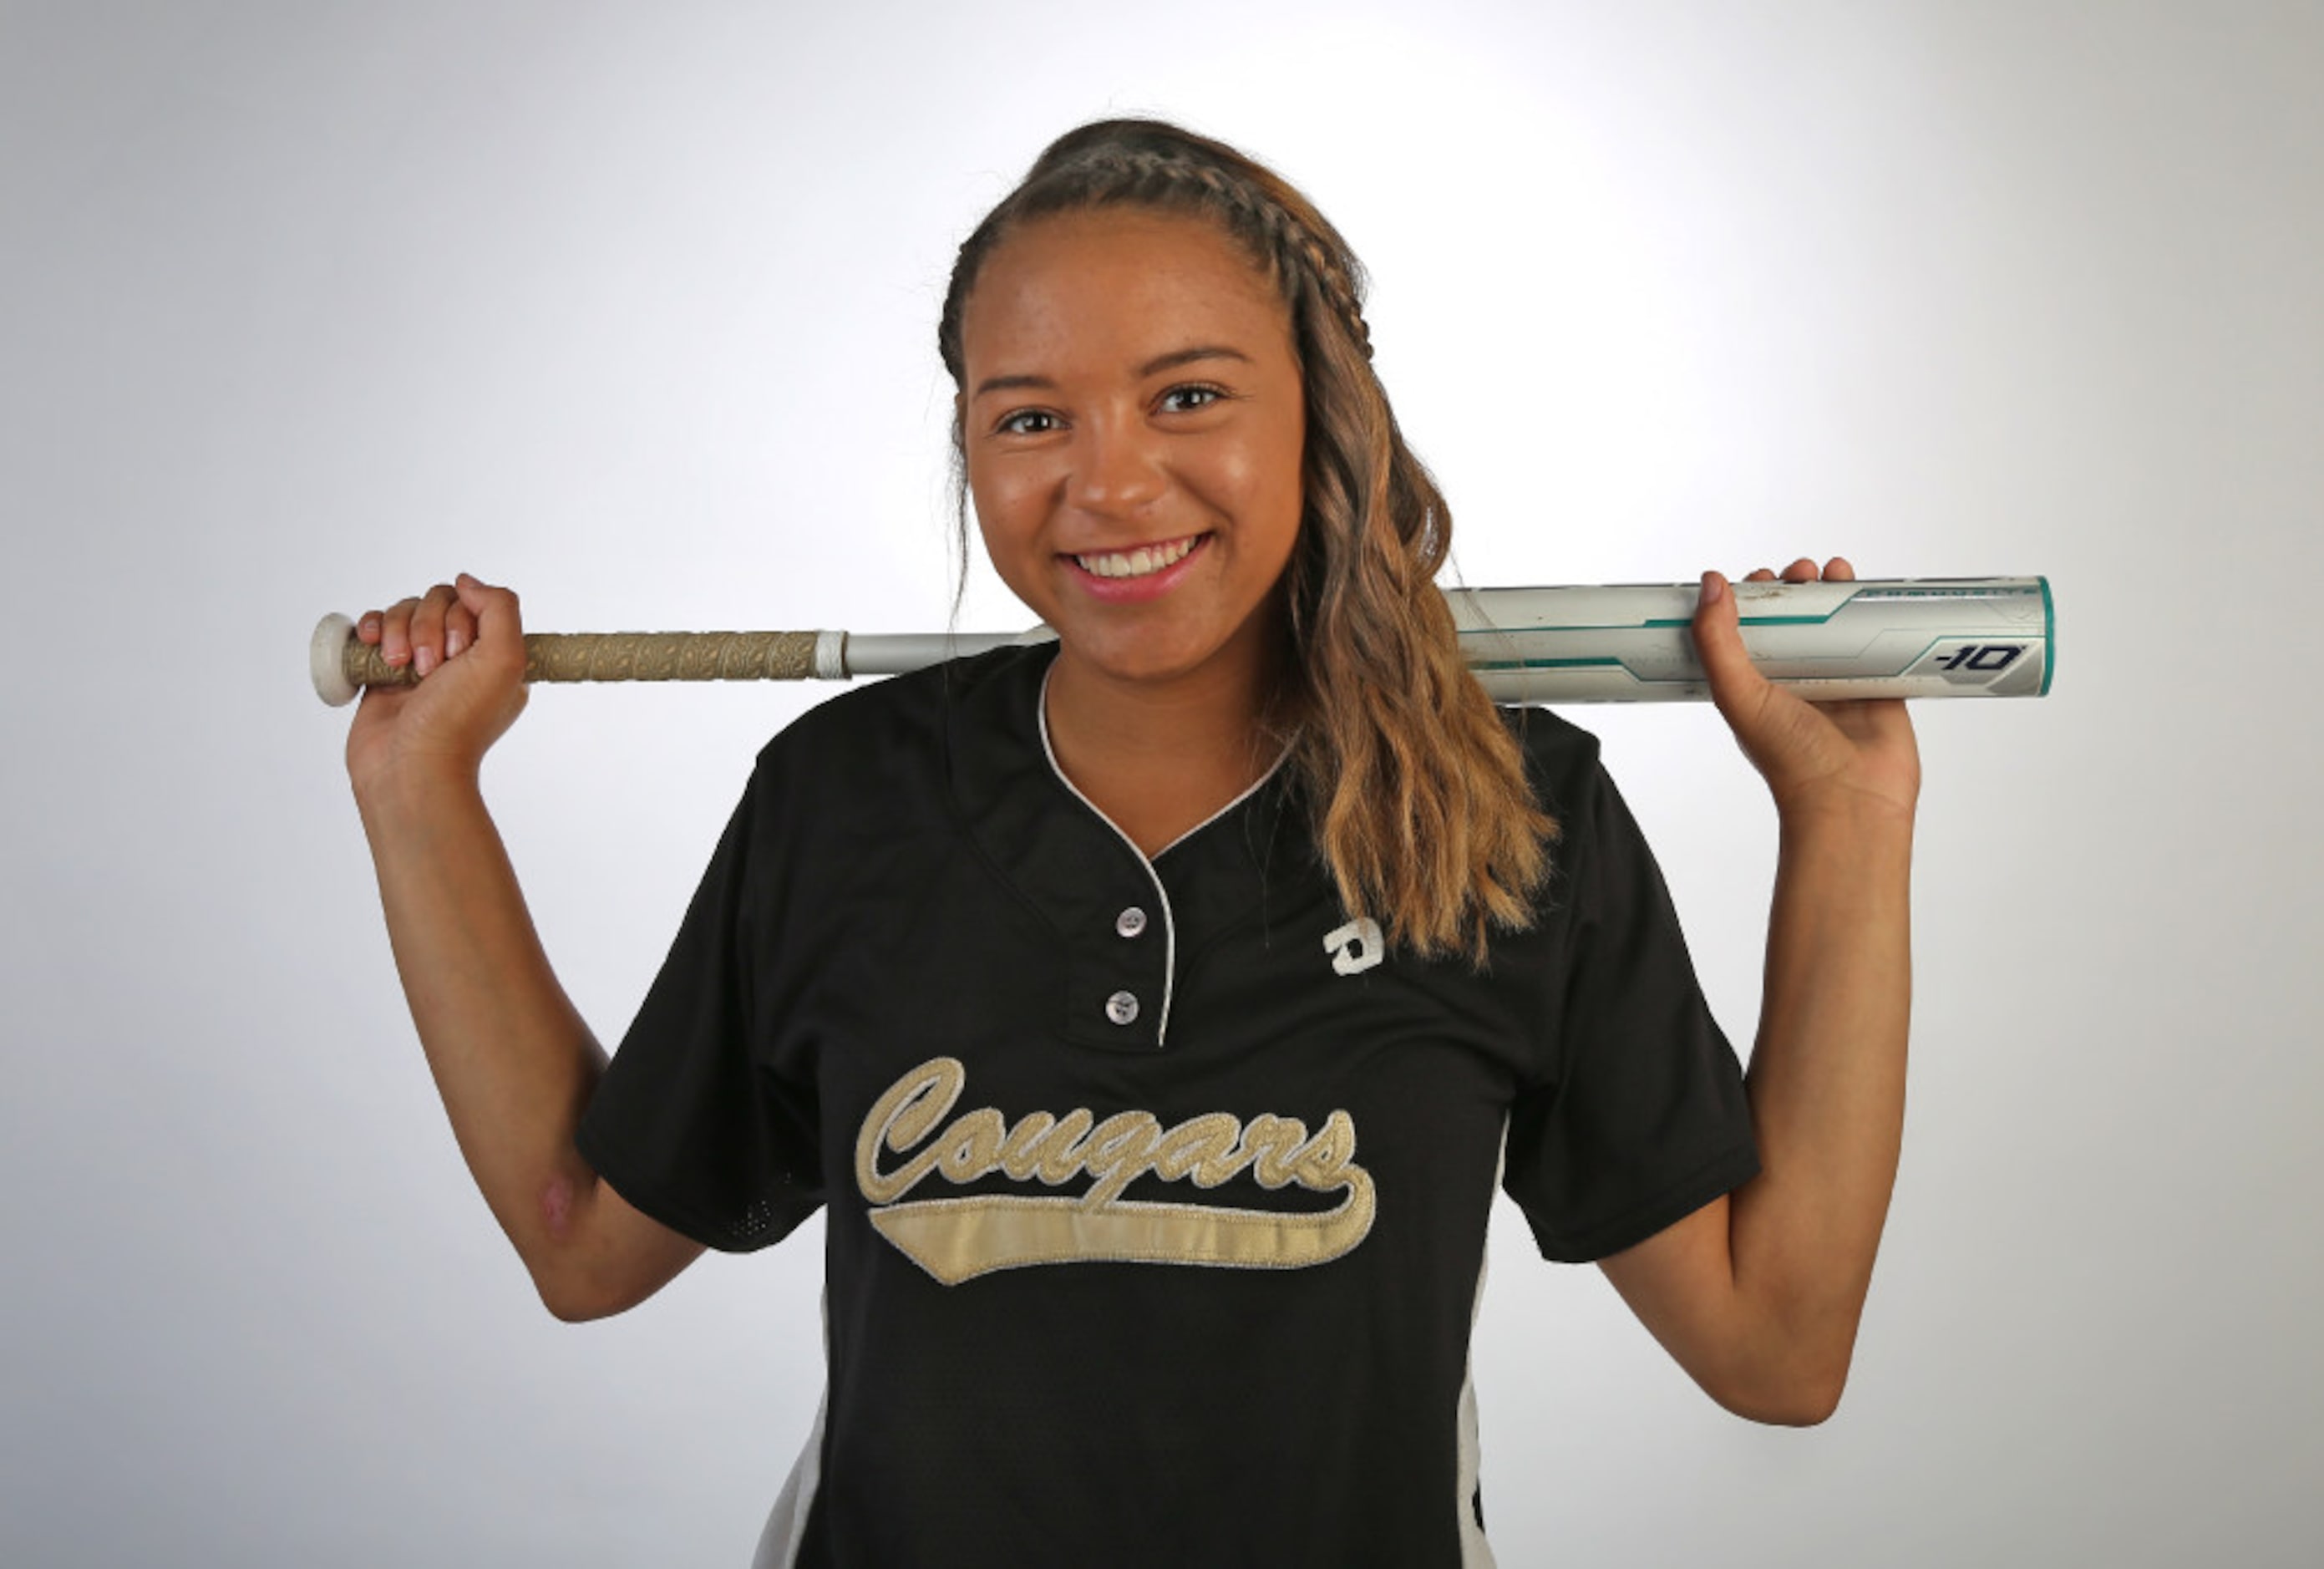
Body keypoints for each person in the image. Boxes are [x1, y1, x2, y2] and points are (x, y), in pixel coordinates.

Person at [345, 119, 1920, 1567]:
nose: (1106, 482)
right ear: (970, 447)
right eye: (1031, 416)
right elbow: (587, 1246)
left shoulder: (1508, 812)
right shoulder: (844, 799)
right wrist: (419, 794)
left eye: (1189, 394)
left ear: (1323, 413)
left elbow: (1776, 1348)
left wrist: (1846, 818)